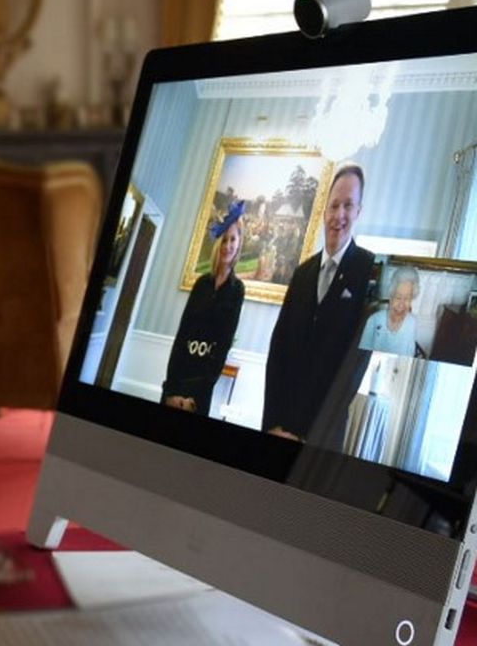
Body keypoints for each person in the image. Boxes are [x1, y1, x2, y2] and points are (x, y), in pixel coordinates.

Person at [263, 164, 376, 444]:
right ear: (324, 210)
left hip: (323, 437)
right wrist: (272, 425)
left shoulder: (369, 270)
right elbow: (278, 353)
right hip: (281, 427)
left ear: (358, 211)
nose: (339, 215)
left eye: (348, 206)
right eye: (334, 205)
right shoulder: (301, 274)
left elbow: (355, 365)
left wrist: (312, 436)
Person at [161, 199, 245, 415]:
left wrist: (194, 396)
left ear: (239, 242)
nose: (228, 246)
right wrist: (171, 389)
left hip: (200, 389)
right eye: (224, 239)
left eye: (232, 239)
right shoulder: (201, 284)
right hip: (179, 374)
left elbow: (223, 345)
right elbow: (182, 336)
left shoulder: (237, 290)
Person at [358, 265, 420, 356]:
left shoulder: (412, 322)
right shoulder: (374, 320)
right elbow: (362, 354)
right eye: (398, 297)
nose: (401, 304)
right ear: (391, 296)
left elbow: (409, 354)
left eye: (407, 298)